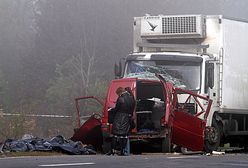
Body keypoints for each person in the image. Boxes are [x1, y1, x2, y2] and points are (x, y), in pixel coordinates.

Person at [109, 87, 135, 156]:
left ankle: (112, 151)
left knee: (115, 134)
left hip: (119, 118)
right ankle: (122, 151)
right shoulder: (131, 98)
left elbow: (116, 109)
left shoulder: (120, 98)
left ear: (119, 93)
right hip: (127, 118)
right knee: (124, 135)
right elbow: (132, 109)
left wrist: (111, 110)